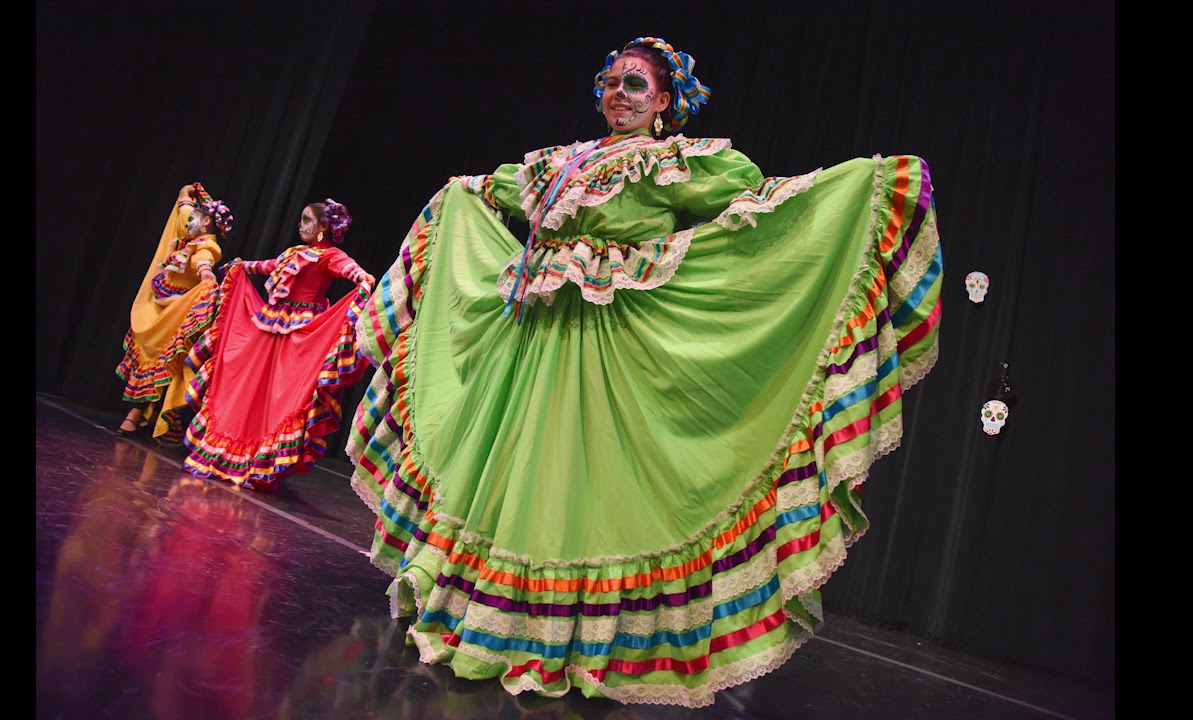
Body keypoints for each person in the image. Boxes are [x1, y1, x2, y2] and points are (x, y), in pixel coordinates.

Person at [345, 36, 943, 707]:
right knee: (515, 472)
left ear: (663, 102)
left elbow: (758, 200)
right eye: (610, 81)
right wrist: (462, 192)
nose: (618, 94)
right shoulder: (558, 165)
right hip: (530, 344)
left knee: (585, 484)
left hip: (609, 345)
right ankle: (482, 613)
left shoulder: (675, 163)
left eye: (635, 85)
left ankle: (572, 635)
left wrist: (842, 189)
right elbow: (489, 189)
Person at [183, 199, 376, 492]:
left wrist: (362, 278)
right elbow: (267, 266)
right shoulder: (295, 252)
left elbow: (352, 270)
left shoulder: (327, 256)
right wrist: (241, 266)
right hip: (269, 327)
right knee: (251, 389)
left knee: (282, 395)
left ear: (324, 226)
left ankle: (261, 462)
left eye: (307, 220)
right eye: (302, 219)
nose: (301, 225)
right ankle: (233, 454)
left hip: (300, 334)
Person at [115, 182, 232, 443]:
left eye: (194, 221)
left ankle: (135, 415)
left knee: (163, 360)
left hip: (179, 313)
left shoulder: (206, 246)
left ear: (205, 226)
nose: (187, 223)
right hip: (161, 306)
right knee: (148, 353)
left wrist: (207, 275)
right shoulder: (189, 234)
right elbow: (184, 210)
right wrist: (187, 193)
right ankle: (146, 414)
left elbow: (204, 263)